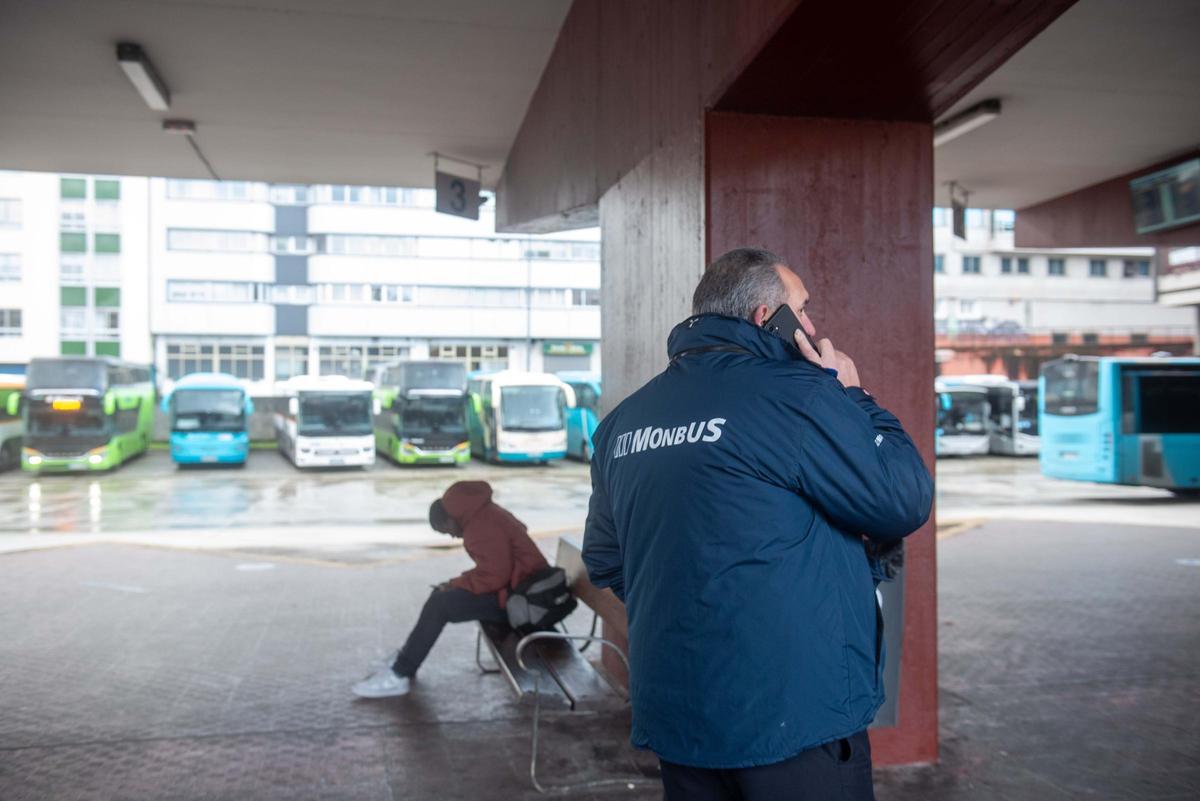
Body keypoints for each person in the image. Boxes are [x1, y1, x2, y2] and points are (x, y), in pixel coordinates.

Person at [582, 248, 933, 800]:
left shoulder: (623, 424)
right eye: (804, 308)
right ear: (768, 319)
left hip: (681, 718)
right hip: (794, 714)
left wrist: (702, 602)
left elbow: (606, 559)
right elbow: (904, 498)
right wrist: (854, 396)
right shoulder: (802, 398)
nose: (813, 326)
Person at [353, 480, 548, 698]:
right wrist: (454, 584)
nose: (453, 536)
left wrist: (456, 584)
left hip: (524, 602)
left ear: (450, 518)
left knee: (440, 605)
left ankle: (400, 673)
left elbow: (495, 576)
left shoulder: (479, 526)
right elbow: (495, 571)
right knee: (441, 596)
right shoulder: (483, 513)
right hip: (519, 591)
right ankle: (405, 658)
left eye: (447, 531)